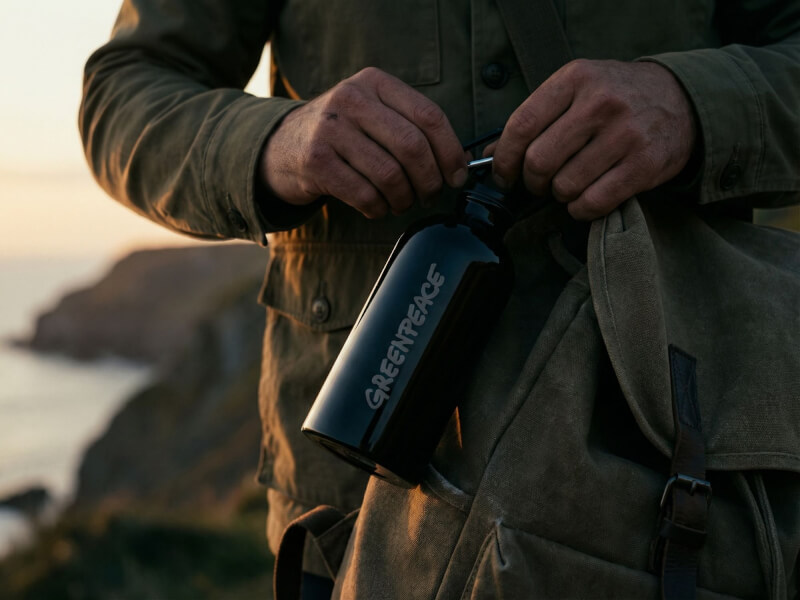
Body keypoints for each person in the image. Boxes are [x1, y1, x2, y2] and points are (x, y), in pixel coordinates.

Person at [81, 1, 800, 597]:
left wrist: (694, 106)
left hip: (668, 485)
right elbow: (122, 95)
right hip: (356, 507)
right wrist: (283, 140)